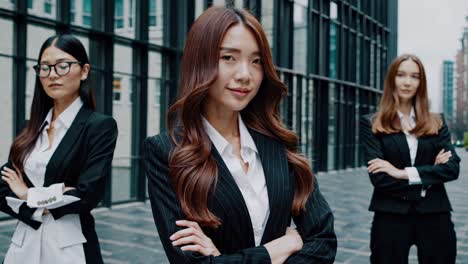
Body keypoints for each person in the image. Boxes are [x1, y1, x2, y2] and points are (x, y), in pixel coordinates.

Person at [144, 6, 337, 264]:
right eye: (229, 58)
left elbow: (323, 242)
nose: (245, 75)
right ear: (200, 61)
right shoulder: (166, 151)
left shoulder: (277, 143)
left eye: (256, 61)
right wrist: (275, 251)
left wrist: (223, 259)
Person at [0, 34, 118, 264]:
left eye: (63, 66)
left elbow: (86, 196)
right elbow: (2, 189)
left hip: (69, 248)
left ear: (84, 71)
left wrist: (28, 194)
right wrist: (50, 200)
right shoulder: (31, 128)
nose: (52, 74)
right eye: (45, 68)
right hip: (23, 245)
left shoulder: (99, 126)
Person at [360, 54, 460, 264]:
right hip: (390, 216)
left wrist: (401, 172)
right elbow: (379, 179)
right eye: (401, 75)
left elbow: (452, 169)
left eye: (414, 76)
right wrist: (430, 174)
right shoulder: (372, 123)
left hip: (435, 215)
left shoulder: (437, 121)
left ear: (421, 83)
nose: (407, 82)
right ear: (391, 79)